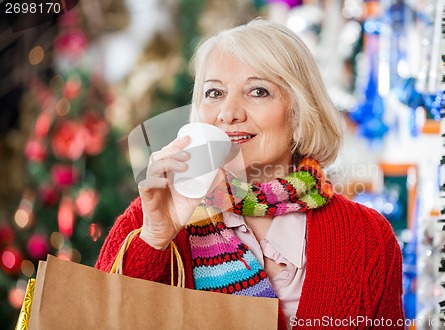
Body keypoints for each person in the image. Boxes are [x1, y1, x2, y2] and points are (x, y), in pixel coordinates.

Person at [95, 19, 404, 329]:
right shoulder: (154, 215)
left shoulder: (368, 238)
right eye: (214, 93)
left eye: (258, 91)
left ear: (299, 113)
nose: (228, 113)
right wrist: (154, 239)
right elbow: (96, 320)